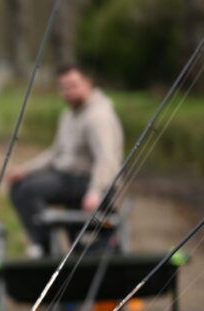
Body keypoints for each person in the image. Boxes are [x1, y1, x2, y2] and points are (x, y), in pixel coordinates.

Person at [8, 65, 123, 256]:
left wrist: (95, 191)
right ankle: (41, 244)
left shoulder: (98, 117)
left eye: (73, 85)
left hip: (87, 181)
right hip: (66, 177)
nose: (68, 91)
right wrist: (25, 170)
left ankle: (43, 248)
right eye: (63, 87)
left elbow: (106, 158)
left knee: (29, 190)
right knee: (19, 185)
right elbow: (55, 153)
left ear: (88, 83)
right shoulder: (68, 114)